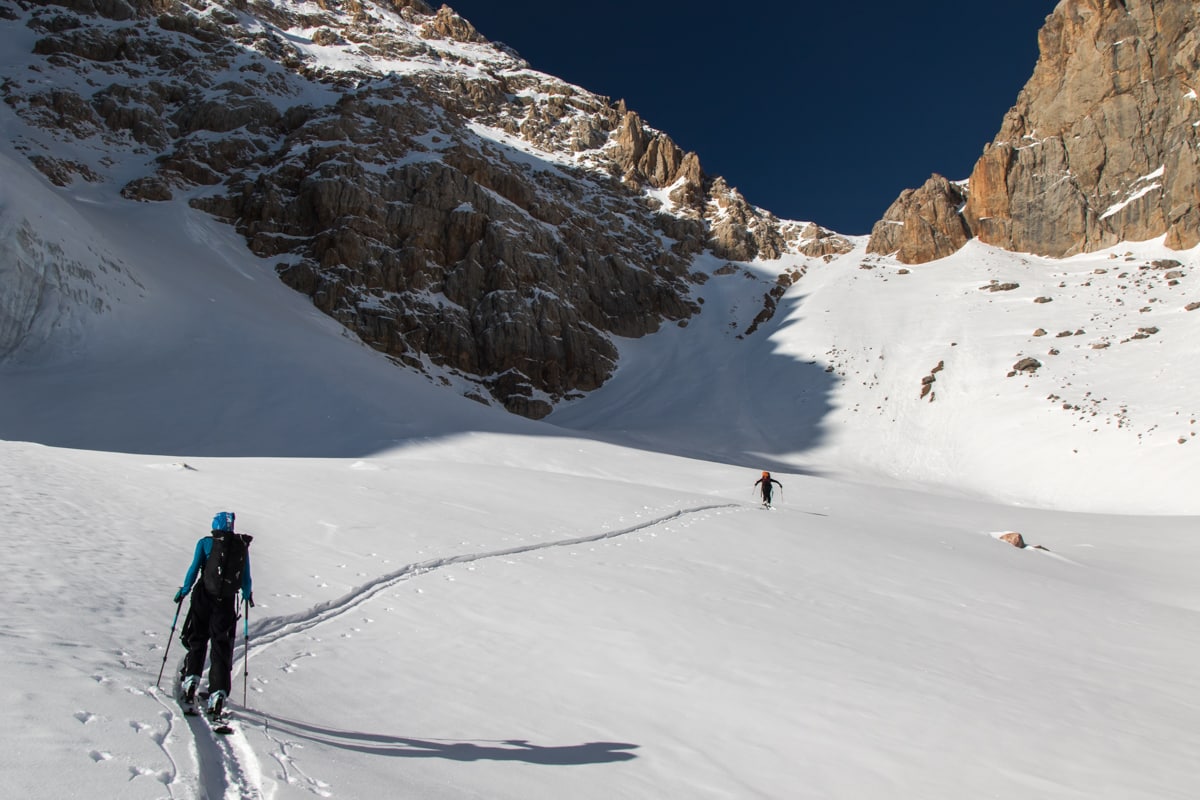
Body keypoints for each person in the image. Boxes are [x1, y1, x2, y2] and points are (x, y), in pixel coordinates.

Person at [174, 511, 253, 718]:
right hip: (226, 602)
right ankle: (217, 694)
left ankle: (191, 682)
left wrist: (184, 590)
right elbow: (246, 579)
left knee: (197, 639)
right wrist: (247, 595)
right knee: (221, 646)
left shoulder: (206, 543)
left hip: (203, 597)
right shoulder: (240, 547)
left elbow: (194, 569)